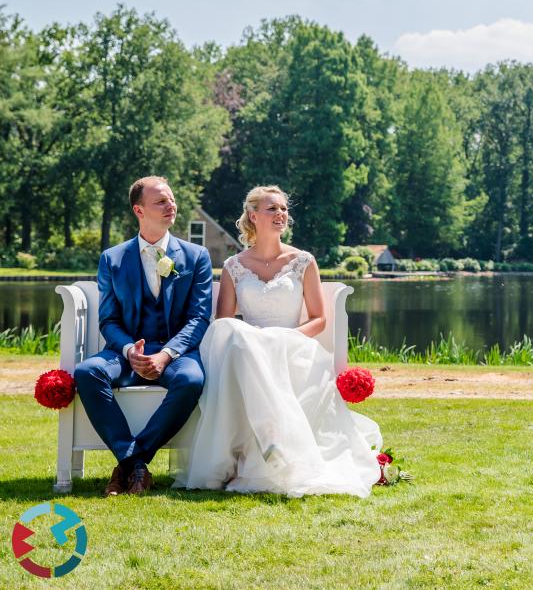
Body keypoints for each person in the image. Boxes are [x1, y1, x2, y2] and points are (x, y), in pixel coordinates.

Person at [175, 185, 383, 497]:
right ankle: (265, 436)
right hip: (248, 349)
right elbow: (224, 322)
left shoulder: (303, 261)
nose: (280, 214)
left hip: (293, 346)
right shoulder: (234, 266)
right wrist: (258, 341)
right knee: (232, 335)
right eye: (272, 208)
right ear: (253, 215)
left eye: (283, 208)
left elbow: (319, 318)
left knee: (246, 345)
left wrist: (280, 338)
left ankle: (266, 446)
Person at [74, 176, 212, 496]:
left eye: (171, 199)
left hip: (174, 353)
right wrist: (127, 351)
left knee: (191, 379)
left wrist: (166, 355)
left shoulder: (196, 256)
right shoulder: (113, 258)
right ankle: (135, 465)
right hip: (126, 353)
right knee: (87, 371)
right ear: (139, 210)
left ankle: (131, 463)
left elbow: (199, 318)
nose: (171, 205)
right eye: (161, 201)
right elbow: (108, 320)